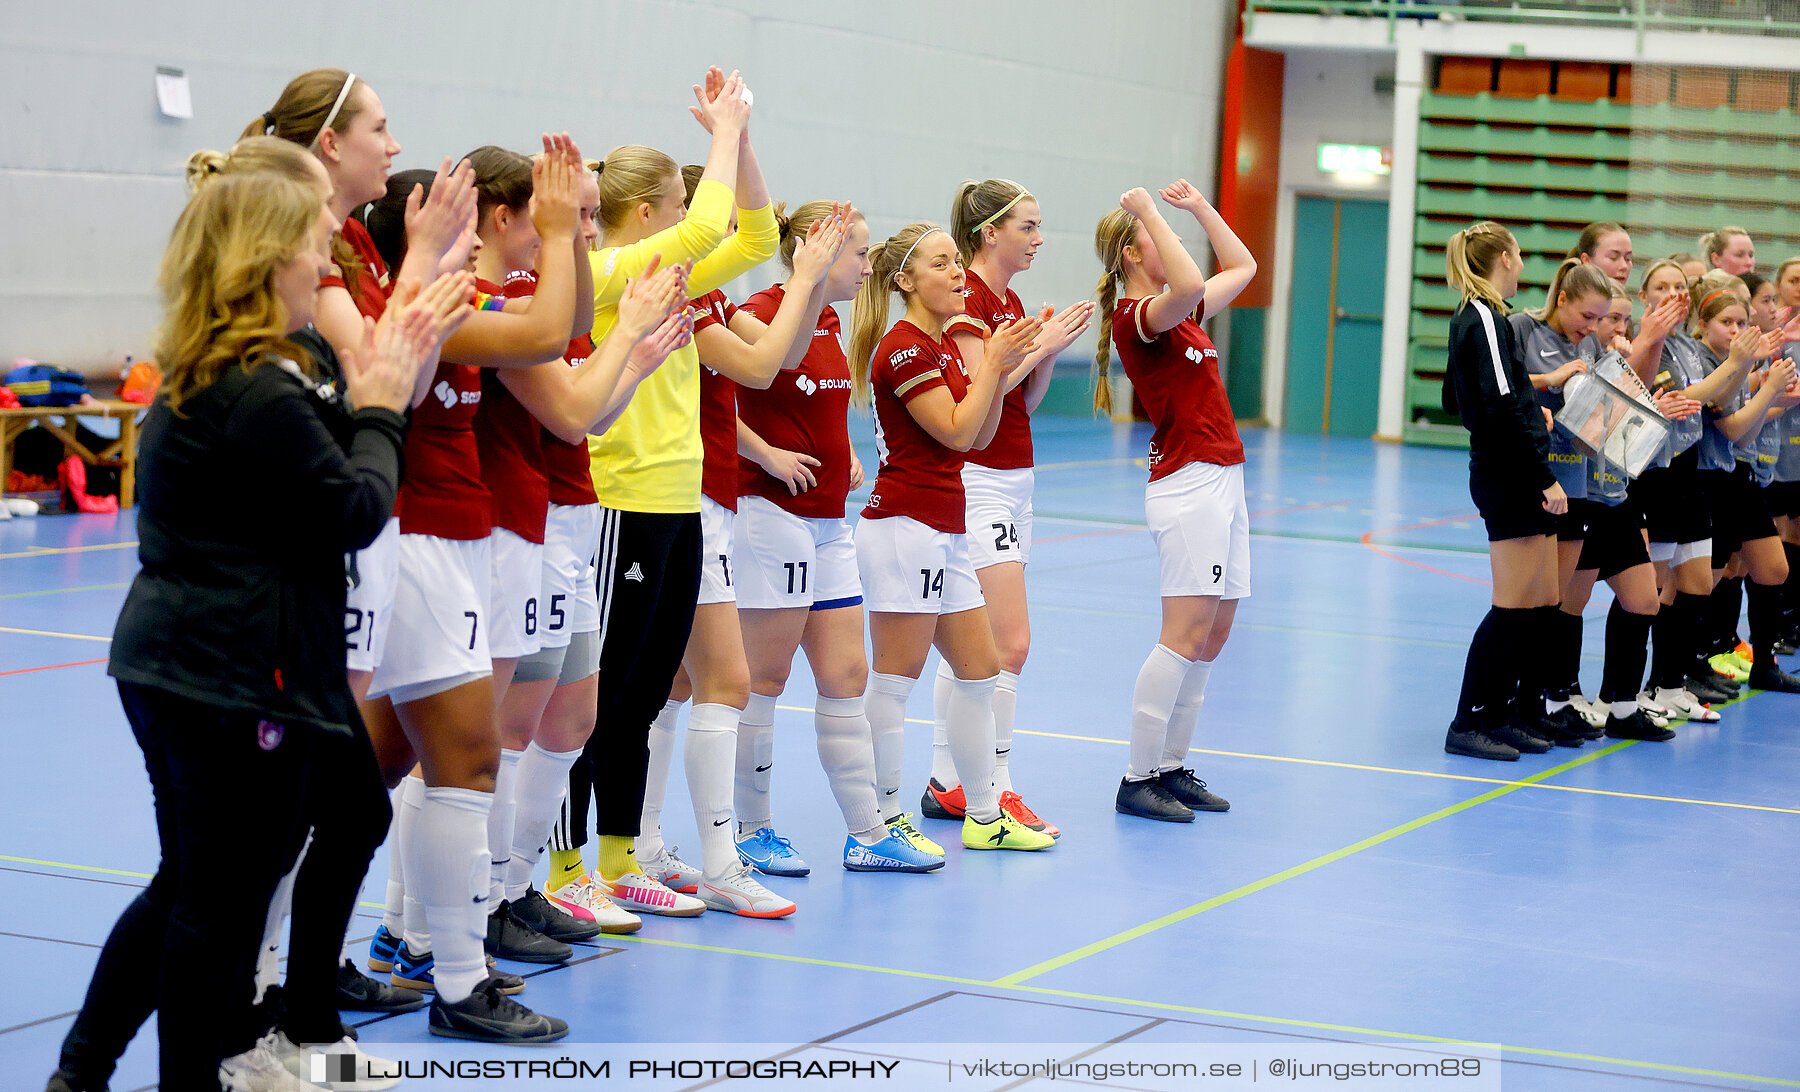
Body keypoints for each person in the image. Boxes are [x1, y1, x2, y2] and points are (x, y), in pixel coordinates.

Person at [46, 168, 439, 1092]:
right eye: (309, 243)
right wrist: (384, 403)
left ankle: (84, 1071)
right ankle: (178, 1077)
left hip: (193, 664)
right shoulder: (255, 391)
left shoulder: (243, 372)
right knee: (215, 900)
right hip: (225, 676)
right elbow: (354, 504)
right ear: (269, 260)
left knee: (196, 882)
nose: (322, 259)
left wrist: (384, 382)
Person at [548, 69, 784, 914]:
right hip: (622, 499)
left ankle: (618, 861)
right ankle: (565, 871)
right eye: (682, 198)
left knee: (645, 691)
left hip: (680, 500)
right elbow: (713, 228)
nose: (695, 211)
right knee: (598, 693)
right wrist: (720, 132)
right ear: (648, 213)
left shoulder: (665, 268)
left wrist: (741, 139)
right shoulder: (610, 269)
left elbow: (754, 237)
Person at [847, 220, 1050, 852]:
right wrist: (993, 362)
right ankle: (878, 824)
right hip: (904, 525)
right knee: (896, 678)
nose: (958, 273)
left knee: (979, 667)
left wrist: (1005, 363)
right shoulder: (903, 348)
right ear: (905, 280)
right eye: (941, 264)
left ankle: (986, 815)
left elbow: (982, 433)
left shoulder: (939, 346)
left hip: (948, 524)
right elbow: (958, 432)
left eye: (959, 263)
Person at [919, 179, 1092, 838]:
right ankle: (995, 785)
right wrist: (1036, 348)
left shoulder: (1012, 302)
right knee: (1008, 643)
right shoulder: (967, 304)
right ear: (990, 232)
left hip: (1016, 477)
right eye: (1028, 226)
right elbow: (972, 393)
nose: (1039, 239)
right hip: (980, 480)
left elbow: (1019, 401)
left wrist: (1048, 353)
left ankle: (948, 778)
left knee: (973, 643)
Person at [1091, 181, 1257, 816]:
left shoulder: (1181, 315)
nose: (1176, 247)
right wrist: (1149, 213)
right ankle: (1137, 779)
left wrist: (1198, 210)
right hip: (1188, 485)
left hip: (1225, 477)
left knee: (1212, 636)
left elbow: (1242, 267)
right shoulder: (1139, 318)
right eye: (1159, 241)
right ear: (1134, 254)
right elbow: (1186, 285)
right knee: (1183, 634)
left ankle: (1173, 765)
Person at [1434, 221, 1566, 761]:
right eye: (1519, 255)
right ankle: (1469, 722)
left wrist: (1526, 408)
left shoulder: (1481, 318)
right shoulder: (1486, 318)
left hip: (1510, 465)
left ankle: (1504, 714)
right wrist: (1544, 475)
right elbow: (1501, 402)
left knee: (1534, 604)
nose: (1522, 263)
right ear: (1505, 258)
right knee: (1511, 606)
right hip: (1509, 475)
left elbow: (1455, 397)